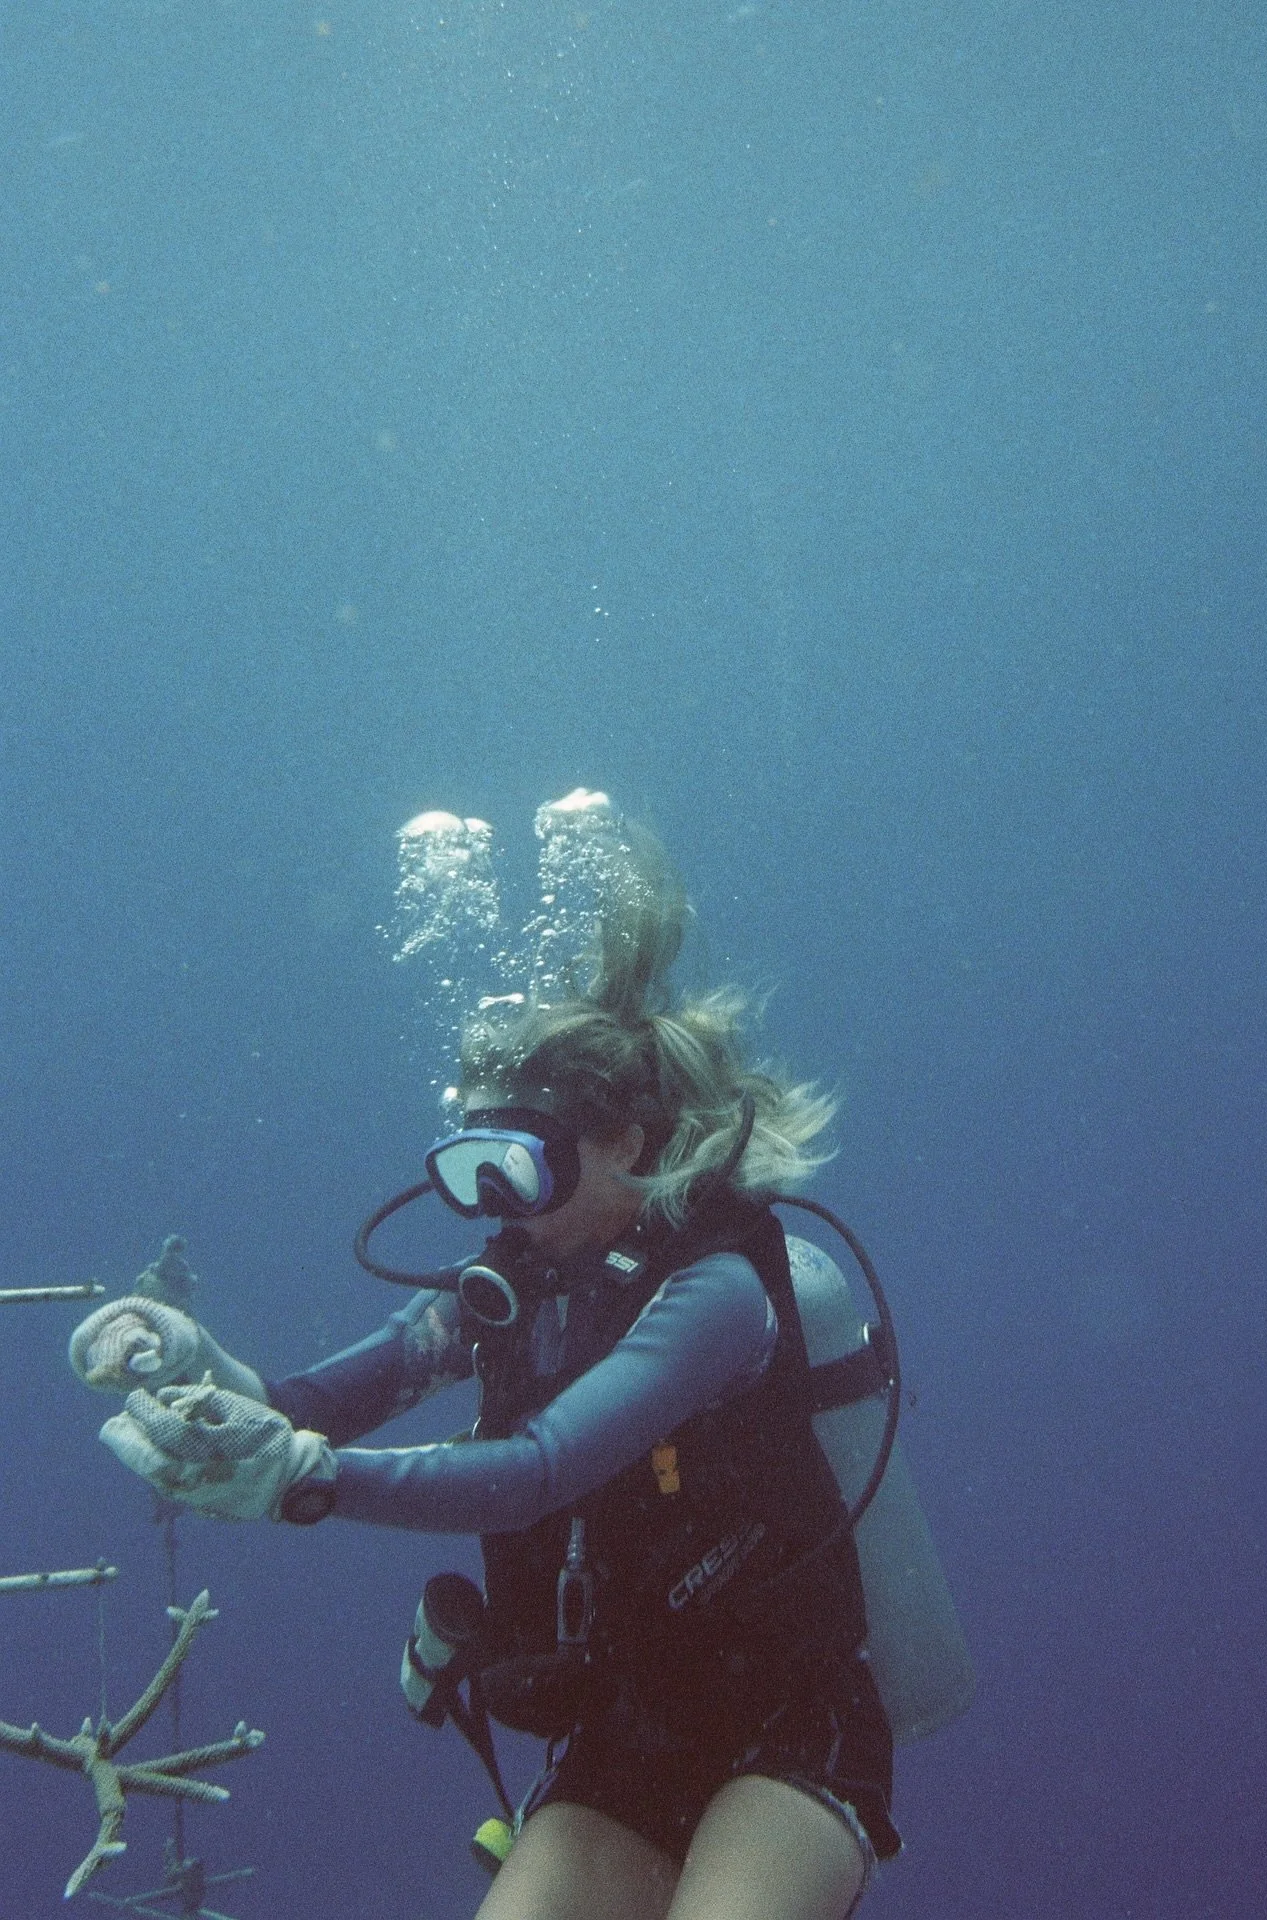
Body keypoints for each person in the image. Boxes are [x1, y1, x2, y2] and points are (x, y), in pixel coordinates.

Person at [71, 817, 903, 1920]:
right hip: (629, 1723)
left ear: (630, 1145)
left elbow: (539, 1468)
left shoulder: (715, 1295)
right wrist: (191, 1361)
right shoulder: (505, 1295)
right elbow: (306, 1406)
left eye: (516, 1168)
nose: (494, 1212)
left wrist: (311, 1482)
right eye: (470, 1172)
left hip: (789, 1720)